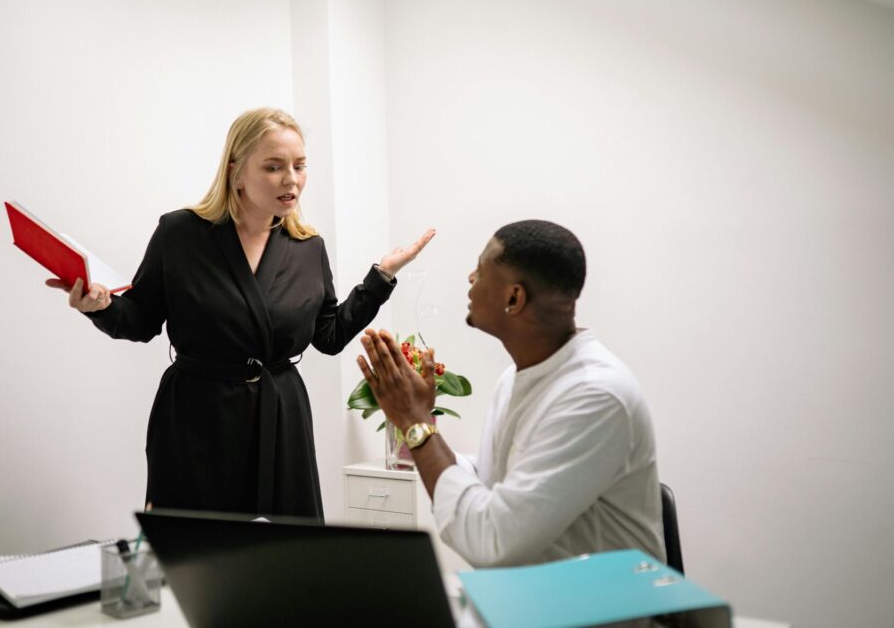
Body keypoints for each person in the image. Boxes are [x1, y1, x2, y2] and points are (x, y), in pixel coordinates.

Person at [47, 107, 433, 521]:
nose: (292, 179)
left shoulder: (307, 248)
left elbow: (329, 335)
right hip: (196, 417)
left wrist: (380, 278)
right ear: (236, 171)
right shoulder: (180, 234)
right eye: (273, 167)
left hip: (280, 417)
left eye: (300, 166)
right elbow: (140, 318)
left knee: (282, 558)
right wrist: (102, 306)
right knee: (197, 552)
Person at [357, 220, 664, 567]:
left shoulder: (596, 396)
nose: (470, 279)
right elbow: (488, 474)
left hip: (604, 613)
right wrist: (418, 421)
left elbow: (492, 543)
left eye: (481, 269)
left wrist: (415, 423)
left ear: (514, 297)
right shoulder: (515, 378)